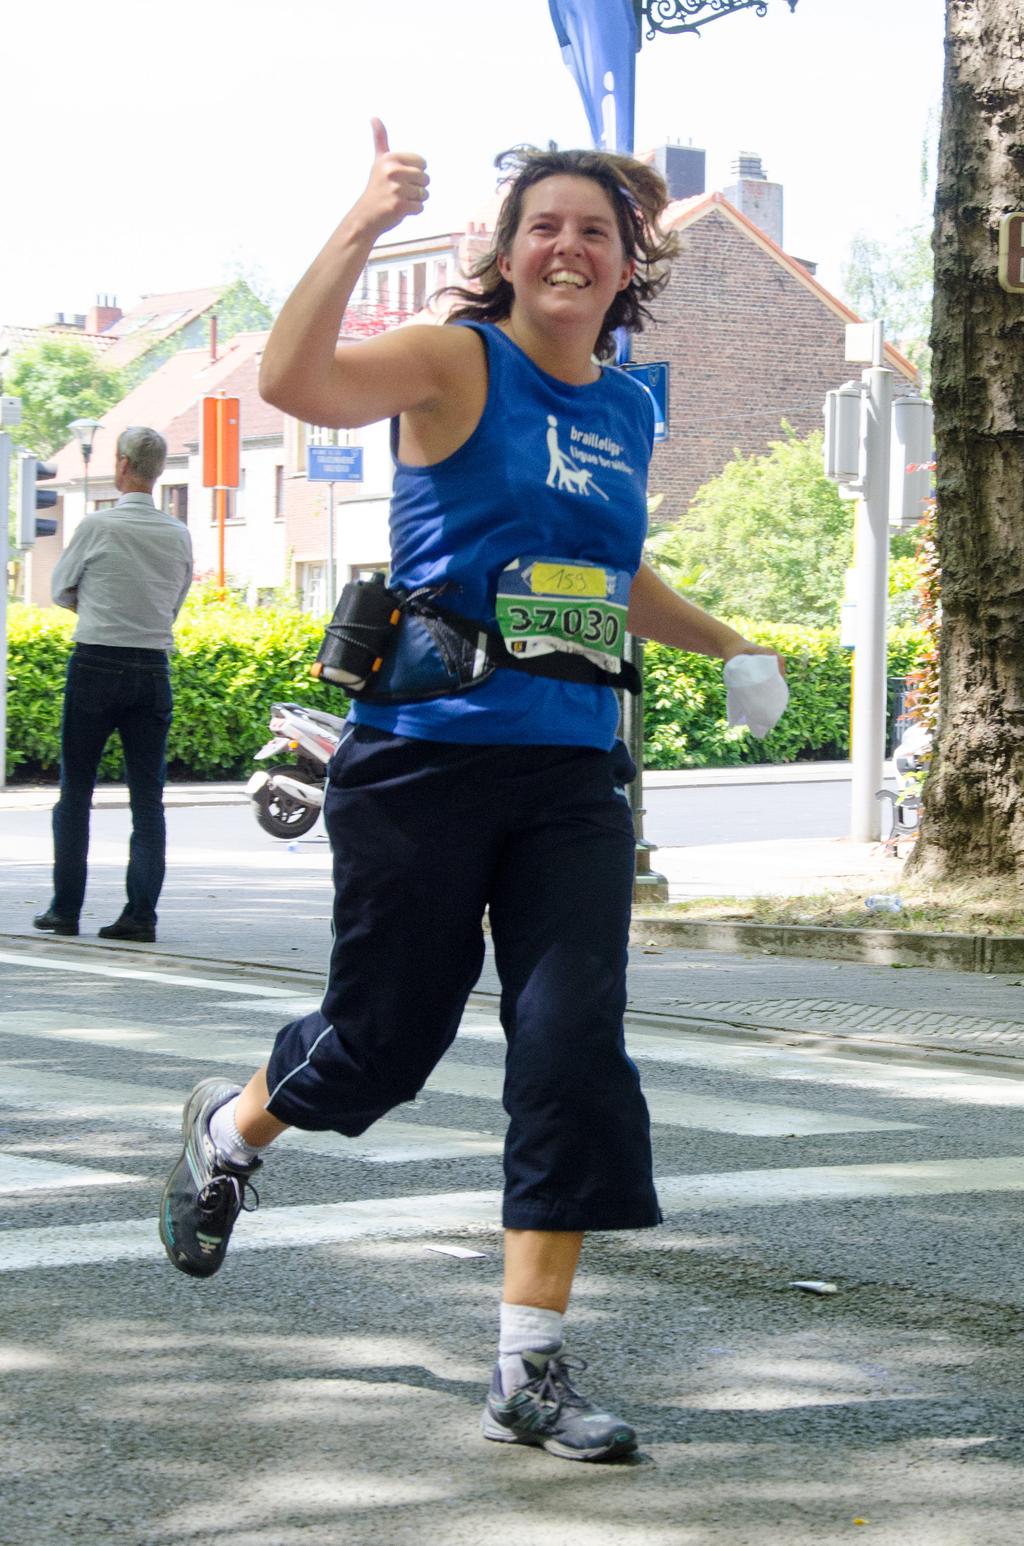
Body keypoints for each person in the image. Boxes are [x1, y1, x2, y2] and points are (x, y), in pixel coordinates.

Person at [158, 122, 784, 1461]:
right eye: (545, 226)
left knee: (572, 1047)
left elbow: (610, 575)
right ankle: (231, 1129)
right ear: (506, 258)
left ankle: (526, 1366)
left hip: (571, 773)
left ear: (629, 270)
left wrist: (736, 644)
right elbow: (295, 375)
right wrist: (365, 220)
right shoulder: (457, 362)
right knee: (382, 1041)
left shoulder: (627, 405)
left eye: (596, 232)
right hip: (425, 756)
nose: (569, 245)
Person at [33, 426, 192, 944]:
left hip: (96, 663)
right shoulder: (178, 534)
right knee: (148, 800)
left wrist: (100, 606)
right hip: (152, 670)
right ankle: (140, 915)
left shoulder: (96, 527)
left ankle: (65, 909)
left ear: (122, 465)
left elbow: (60, 590)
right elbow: (173, 605)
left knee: (75, 793)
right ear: (158, 470)